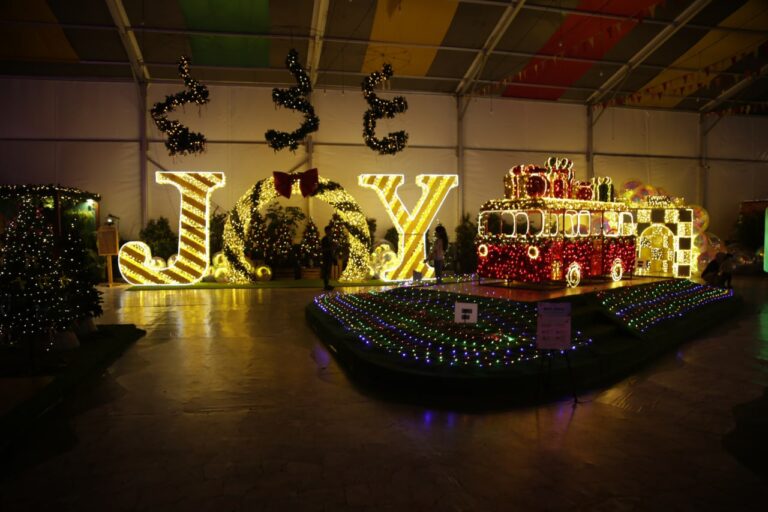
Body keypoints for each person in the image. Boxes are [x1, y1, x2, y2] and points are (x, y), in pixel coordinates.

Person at [320, 225, 334, 291]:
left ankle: (327, 285)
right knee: (326, 271)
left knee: (328, 272)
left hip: (329, 257)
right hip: (326, 257)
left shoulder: (330, 238)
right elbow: (323, 249)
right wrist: (331, 248)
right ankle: (326, 285)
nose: (331, 232)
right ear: (326, 231)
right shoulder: (324, 239)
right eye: (330, 231)